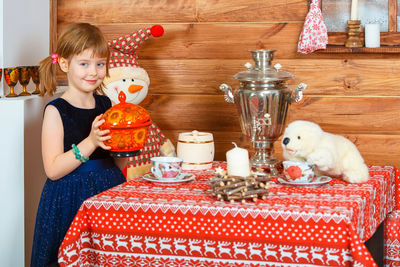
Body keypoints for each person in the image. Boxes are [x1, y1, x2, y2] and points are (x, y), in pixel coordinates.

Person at [31, 23, 128, 267]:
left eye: (100, 63)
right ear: (65, 64)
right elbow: (52, 170)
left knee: (106, 258)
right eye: (84, 64)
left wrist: (128, 141)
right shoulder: (57, 110)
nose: (93, 71)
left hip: (108, 191)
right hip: (69, 198)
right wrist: (91, 141)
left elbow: (118, 161)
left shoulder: (106, 104)